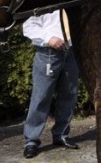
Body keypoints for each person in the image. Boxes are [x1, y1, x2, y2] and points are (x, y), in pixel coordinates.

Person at [22, 10, 80, 159]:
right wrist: (49, 38)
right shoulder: (43, 1)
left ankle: (61, 134)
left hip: (72, 52)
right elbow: (28, 26)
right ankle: (31, 141)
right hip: (48, 53)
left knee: (69, 95)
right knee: (41, 97)